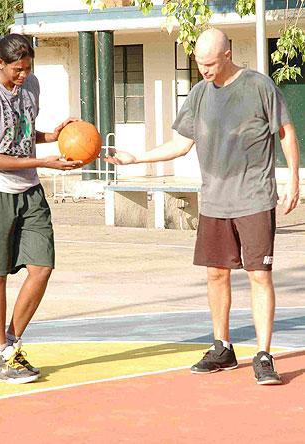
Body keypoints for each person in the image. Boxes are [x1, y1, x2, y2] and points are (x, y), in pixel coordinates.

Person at [105, 28, 300, 385]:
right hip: (213, 200)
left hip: (254, 198)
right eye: (198, 62)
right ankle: (222, 347)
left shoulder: (259, 86)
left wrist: (293, 182)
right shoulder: (198, 95)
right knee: (215, 274)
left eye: (209, 62)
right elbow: (181, 144)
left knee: (259, 275)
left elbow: (285, 131)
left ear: (227, 54)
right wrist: (137, 160)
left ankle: (263, 355)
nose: (204, 69)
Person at [0, 33, 82, 383]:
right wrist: (44, 162)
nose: (23, 75)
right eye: (17, 69)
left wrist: (53, 136)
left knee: (42, 266)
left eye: (28, 68)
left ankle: (12, 343)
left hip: (29, 189)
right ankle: (1, 351)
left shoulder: (31, 84)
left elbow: (20, 133)